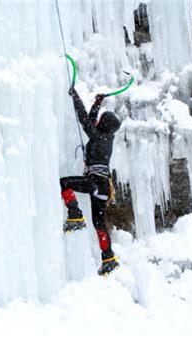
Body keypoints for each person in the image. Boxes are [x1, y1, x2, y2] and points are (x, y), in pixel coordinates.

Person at [60, 86, 122, 276]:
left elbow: (84, 119)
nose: (99, 121)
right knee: (99, 223)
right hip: (103, 187)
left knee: (64, 183)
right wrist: (96, 103)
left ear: (104, 124)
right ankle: (108, 257)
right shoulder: (106, 138)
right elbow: (91, 122)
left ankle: (75, 214)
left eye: (102, 120)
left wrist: (76, 96)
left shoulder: (98, 136)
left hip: (95, 182)